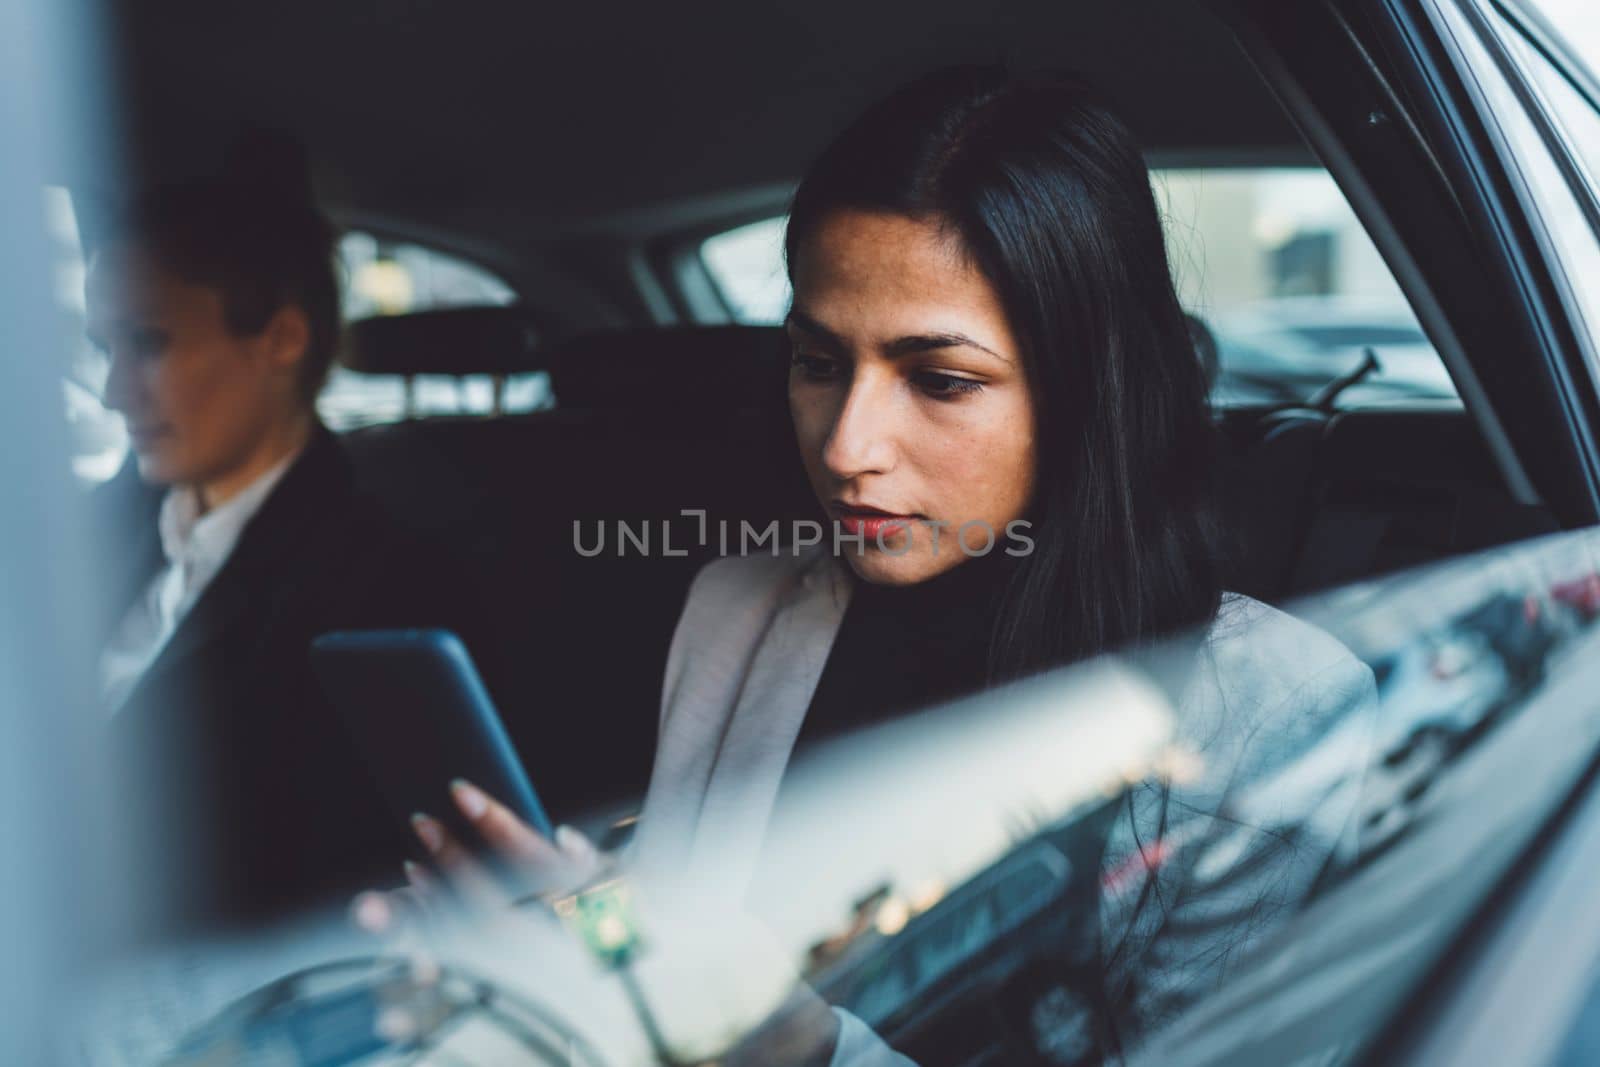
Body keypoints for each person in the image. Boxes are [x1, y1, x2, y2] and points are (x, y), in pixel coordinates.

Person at [364, 68, 1377, 1063]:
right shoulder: (739, 606)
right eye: (817, 361)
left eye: (938, 379)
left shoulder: (1270, 708)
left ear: (1089, 389)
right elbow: (668, 999)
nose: (847, 446)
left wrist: (795, 1043)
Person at [88, 136, 503, 935]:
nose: (111, 391)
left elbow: (315, 880)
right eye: (104, 348)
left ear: (279, 339)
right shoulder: (98, 530)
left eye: (148, 343)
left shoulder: (388, 592)